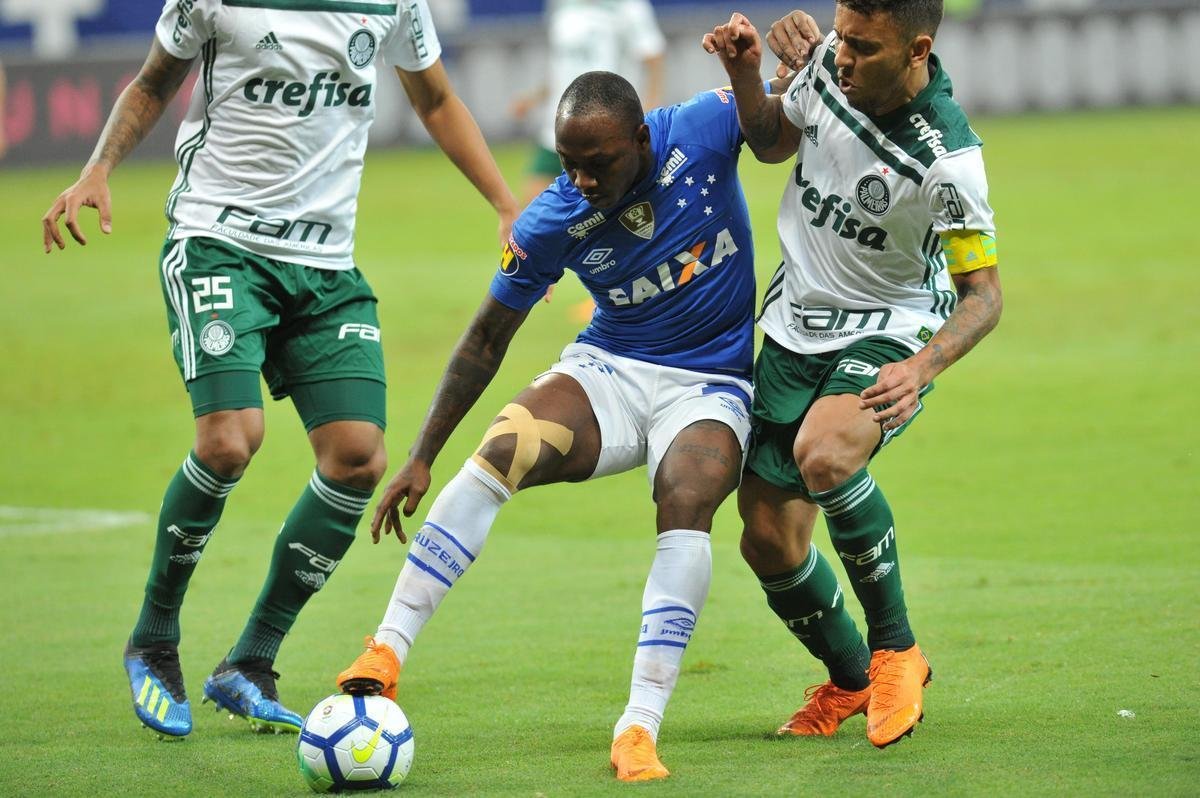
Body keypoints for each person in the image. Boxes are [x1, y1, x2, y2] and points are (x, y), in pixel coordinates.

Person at [41, 0, 518, 739]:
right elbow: (150, 82)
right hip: (218, 239)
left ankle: (250, 662)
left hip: (325, 266)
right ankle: (154, 639)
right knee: (230, 439)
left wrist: (504, 203)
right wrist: (97, 168)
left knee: (358, 459)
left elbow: (437, 98)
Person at [336, 70, 758, 782]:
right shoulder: (552, 218)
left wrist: (756, 71)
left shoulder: (703, 127)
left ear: (640, 138)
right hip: (612, 368)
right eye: (568, 164)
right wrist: (420, 455)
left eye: (598, 164)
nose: (583, 180)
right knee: (507, 446)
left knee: (685, 499)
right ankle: (386, 648)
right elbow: (484, 340)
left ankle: (638, 727)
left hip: (711, 382)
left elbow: (778, 131)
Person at [703, 3, 1002, 748]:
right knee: (766, 539)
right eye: (842, 38)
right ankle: (850, 681)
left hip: (889, 326)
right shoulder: (829, 61)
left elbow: (984, 296)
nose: (842, 58)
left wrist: (923, 364)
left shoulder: (947, 158)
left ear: (917, 49)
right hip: (796, 323)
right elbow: (773, 142)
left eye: (864, 49)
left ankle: (897, 649)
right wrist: (746, 73)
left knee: (827, 453)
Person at [509, 0, 666, 208]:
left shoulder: (629, 8)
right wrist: (533, 98)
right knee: (530, 215)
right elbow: (561, 68)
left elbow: (653, 59)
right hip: (557, 130)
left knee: (607, 216)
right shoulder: (562, 8)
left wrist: (649, 108)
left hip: (604, 134)